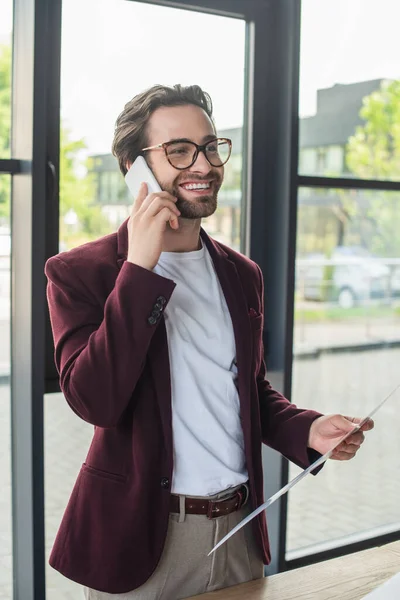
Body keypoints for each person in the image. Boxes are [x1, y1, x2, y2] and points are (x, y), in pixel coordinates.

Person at [45, 84, 373, 599]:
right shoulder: (80, 273)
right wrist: (139, 269)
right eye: (179, 150)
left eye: (210, 146)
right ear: (135, 167)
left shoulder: (242, 274)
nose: (204, 164)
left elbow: (248, 390)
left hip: (240, 529)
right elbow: (96, 401)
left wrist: (307, 429)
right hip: (142, 540)